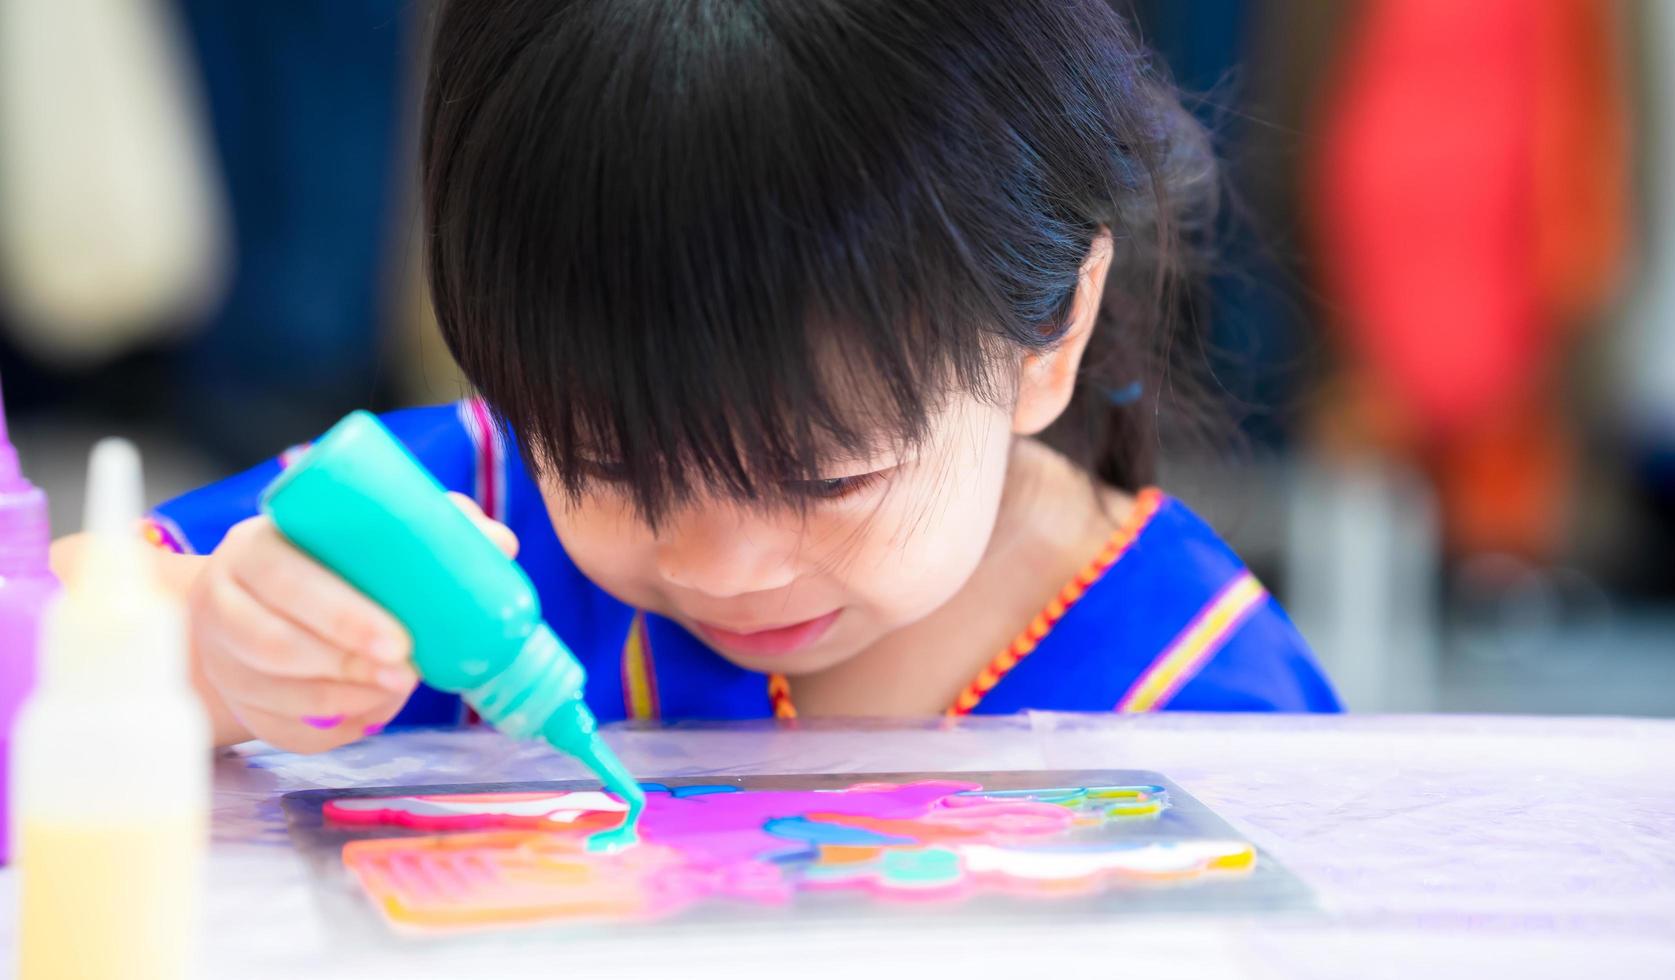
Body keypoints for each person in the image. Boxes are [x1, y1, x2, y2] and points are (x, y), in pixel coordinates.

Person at [78, 0, 1340, 752]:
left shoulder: (1202, 707)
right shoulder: (456, 527)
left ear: (1049, 332)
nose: (714, 567)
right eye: (613, 459)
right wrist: (191, 655)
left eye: (827, 474)